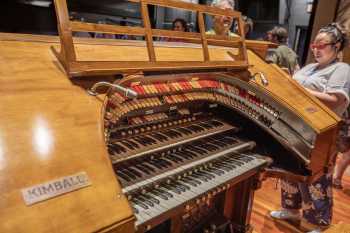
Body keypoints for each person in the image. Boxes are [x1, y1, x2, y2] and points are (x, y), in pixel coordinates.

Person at [270, 23, 350, 233]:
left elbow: (335, 99)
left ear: (337, 45)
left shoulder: (342, 68)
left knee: (316, 177)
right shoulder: (309, 67)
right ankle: (291, 209)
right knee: (290, 170)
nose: (316, 49)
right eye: (314, 44)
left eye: (322, 45)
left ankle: (319, 222)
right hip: (295, 127)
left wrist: (297, 88)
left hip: (320, 133)